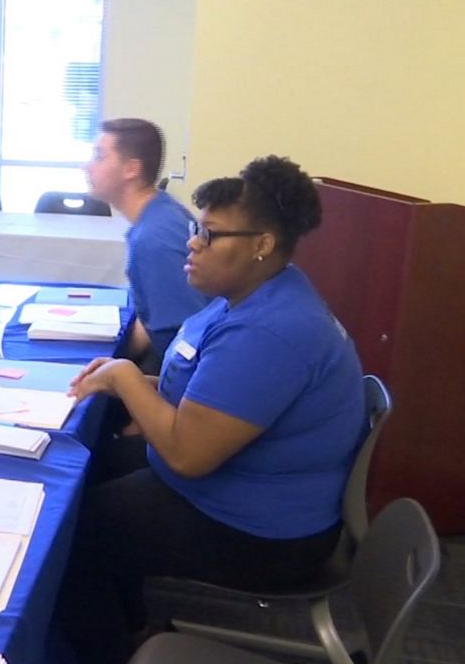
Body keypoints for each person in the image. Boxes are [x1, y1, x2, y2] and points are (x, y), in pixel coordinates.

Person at [57, 156, 367, 664]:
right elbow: (210, 386)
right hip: (240, 486)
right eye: (197, 228)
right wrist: (136, 384)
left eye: (211, 234)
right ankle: (129, 621)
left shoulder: (269, 331)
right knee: (79, 472)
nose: (192, 243)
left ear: (262, 244)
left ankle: (109, 648)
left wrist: (126, 378)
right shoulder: (249, 297)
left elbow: (186, 455)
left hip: (260, 532)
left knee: (65, 539)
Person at [85, 118, 209, 374]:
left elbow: (184, 340)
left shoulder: (154, 238)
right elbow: (153, 317)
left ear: (131, 169)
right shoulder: (159, 213)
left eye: (99, 156)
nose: (86, 166)